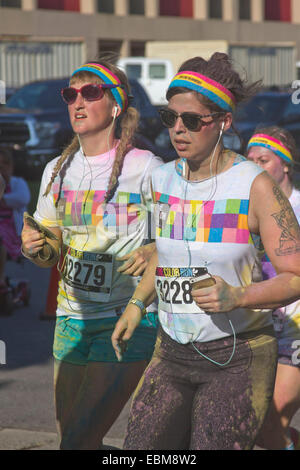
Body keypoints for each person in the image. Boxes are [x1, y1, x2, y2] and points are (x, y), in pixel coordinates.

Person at [111, 53, 300, 450]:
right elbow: (166, 254)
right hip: (171, 349)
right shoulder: (161, 180)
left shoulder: (254, 186)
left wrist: (238, 296)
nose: (178, 130)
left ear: (224, 123)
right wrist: (136, 303)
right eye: (170, 118)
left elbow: (296, 276)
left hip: (239, 355)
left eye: (192, 120)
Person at [21, 59, 163, 450]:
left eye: (90, 93)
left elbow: (180, 236)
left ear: (116, 106)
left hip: (126, 320)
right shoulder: (56, 169)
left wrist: (154, 246)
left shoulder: (146, 168)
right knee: (74, 439)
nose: (77, 102)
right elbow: (49, 254)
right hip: (70, 320)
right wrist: (34, 247)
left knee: (79, 440)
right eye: (71, 94)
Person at [247, 127, 300, 450]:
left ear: (286, 165)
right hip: (256, 327)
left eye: (263, 160)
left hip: (295, 329)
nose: (254, 166)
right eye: (249, 160)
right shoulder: (244, 208)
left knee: (271, 419)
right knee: (254, 424)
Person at [0, 147, 30, 289]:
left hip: (12, 233)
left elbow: (23, 198)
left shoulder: (18, 183)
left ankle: (1, 281)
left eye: (5, 164)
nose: (2, 168)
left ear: (11, 166)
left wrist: (4, 199)